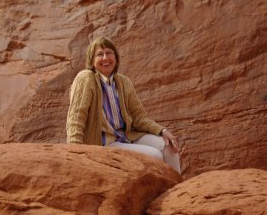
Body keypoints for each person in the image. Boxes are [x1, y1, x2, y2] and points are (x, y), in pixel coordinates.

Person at [66, 37, 181, 173]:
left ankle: (178, 189)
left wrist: (162, 131)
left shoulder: (123, 82)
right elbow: (76, 117)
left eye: (109, 53)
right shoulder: (86, 78)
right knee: (154, 155)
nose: (105, 58)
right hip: (104, 143)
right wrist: (74, 151)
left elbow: (139, 118)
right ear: (91, 60)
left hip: (126, 137)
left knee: (167, 145)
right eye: (99, 54)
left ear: (116, 57)